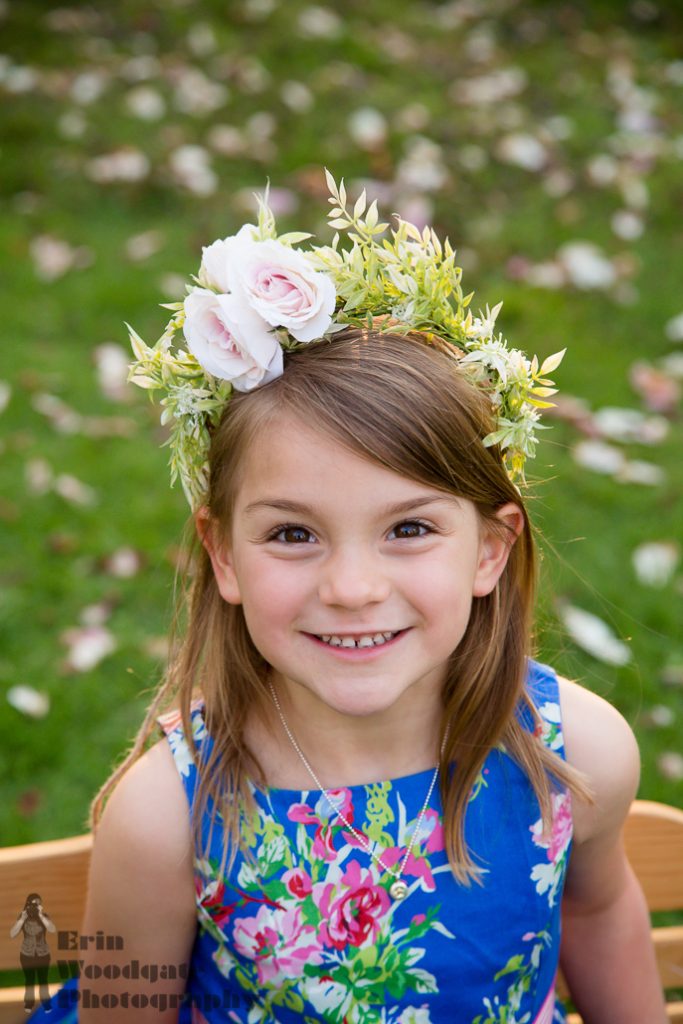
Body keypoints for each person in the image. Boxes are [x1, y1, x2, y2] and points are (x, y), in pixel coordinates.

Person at [30, 172, 666, 1023]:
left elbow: (596, 912)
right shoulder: (165, 817)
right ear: (223, 556)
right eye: (294, 534)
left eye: (408, 528)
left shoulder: (573, 755)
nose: (353, 589)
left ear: (489, 549)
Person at [10, 893, 56, 1013]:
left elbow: (52, 929)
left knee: (43, 980)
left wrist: (41, 915)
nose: (35, 907)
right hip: (27, 954)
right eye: (34, 904)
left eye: (38, 904)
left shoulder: (44, 916)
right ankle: (29, 1004)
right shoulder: (22, 916)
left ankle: (46, 1004)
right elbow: (12, 934)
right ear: (27, 904)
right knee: (29, 980)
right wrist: (22, 919)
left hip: (43, 954)